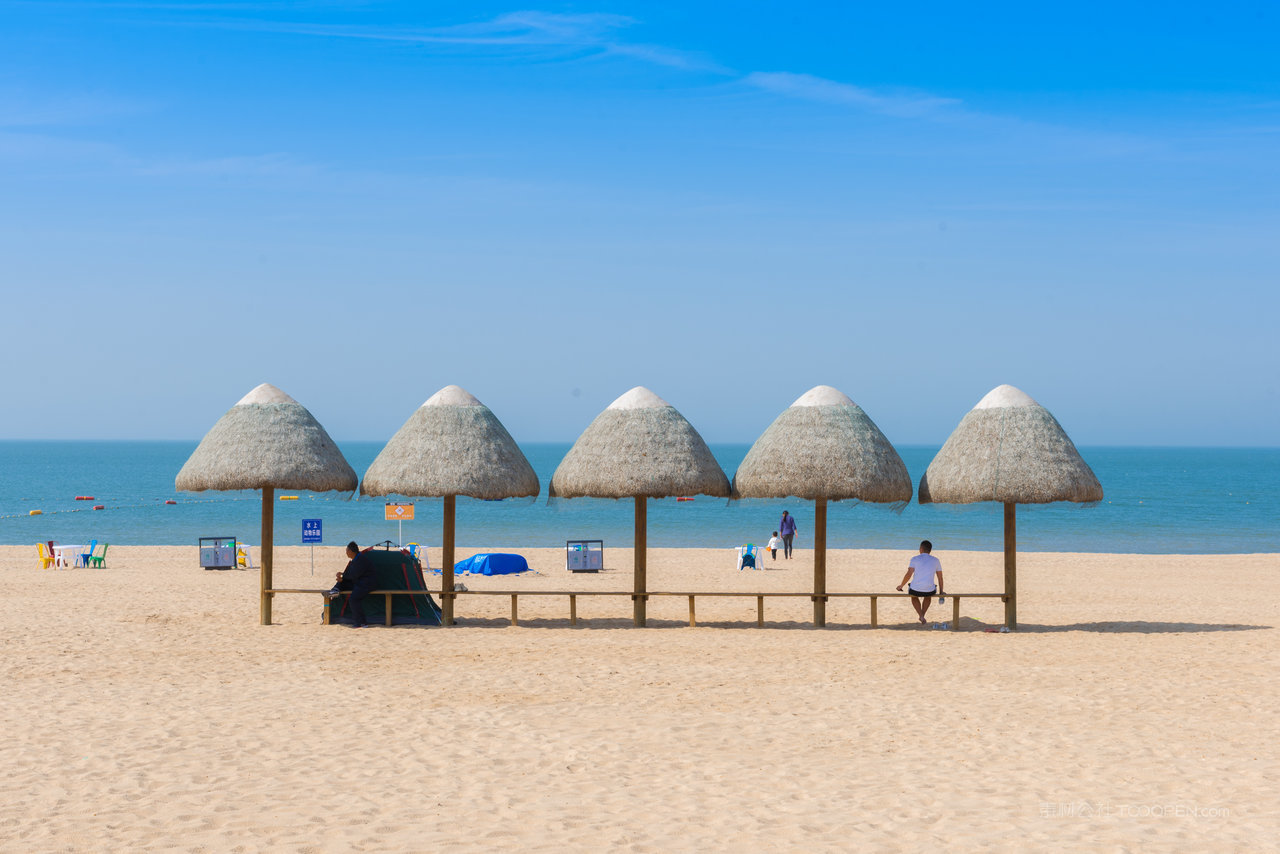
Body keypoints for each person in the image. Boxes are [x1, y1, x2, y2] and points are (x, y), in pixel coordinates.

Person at [330, 541, 375, 627]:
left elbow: (354, 575)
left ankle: (362, 622)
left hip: (366, 584)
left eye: (346, 550)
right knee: (342, 582)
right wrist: (341, 576)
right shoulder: (355, 560)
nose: (346, 552)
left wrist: (342, 576)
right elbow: (350, 574)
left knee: (353, 599)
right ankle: (334, 590)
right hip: (358, 582)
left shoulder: (361, 560)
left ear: (351, 551)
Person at [897, 540, 943, 625]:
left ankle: (921, 615)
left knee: (914, 597)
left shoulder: (914, 559)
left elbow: (909, 574)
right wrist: (941, 592)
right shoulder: (936, 560)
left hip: (915, 589)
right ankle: (922, 615)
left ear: (921, 549)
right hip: (930, 590)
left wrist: (901, 585)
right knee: (928, 596)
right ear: (930, 550)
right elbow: (940, 578)